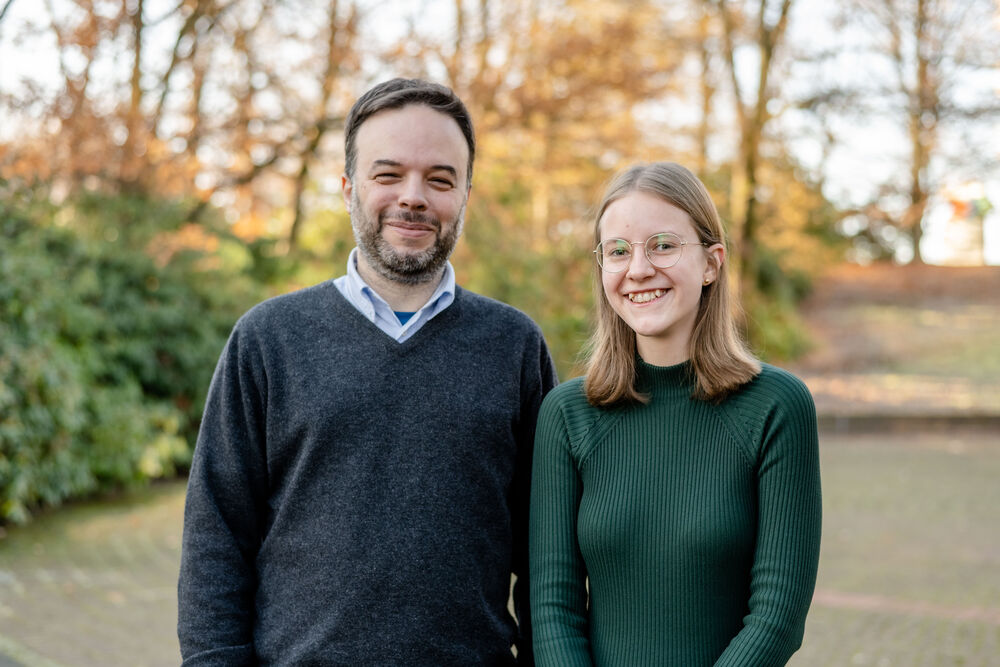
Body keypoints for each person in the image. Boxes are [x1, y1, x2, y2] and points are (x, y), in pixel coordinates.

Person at [178, 78, 557, 666]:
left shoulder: (514, 346)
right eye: (388, 175)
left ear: (465, 196)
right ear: (349, 188)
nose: (414, 197)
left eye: (439, 179)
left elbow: (544, 556)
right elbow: (216, 537)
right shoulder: (267, 340)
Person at [529, 162, 822, 666]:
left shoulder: (777, 407)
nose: (638, 268)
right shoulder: (567, 414)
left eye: (663, 245)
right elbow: (553, 607)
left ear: (712, 263)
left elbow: (777, 617)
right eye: (618, 251)